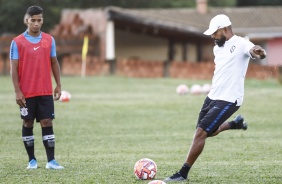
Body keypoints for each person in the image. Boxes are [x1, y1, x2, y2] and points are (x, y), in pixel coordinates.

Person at [164, 14, 267, 182]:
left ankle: (182, 174)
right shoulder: (217, 48)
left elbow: (254, 51)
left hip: (229, 99)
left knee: (200, 133)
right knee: (208, 132)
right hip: (212, 96)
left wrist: (259, 53)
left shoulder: (241, 43)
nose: (212, 36)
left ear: (225, 29)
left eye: (215, 32)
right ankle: (235, 124)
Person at [10, 5, 64, 170]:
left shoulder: (49, 40)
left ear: (42, 21)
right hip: (26, 93)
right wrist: (17, 91)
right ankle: (32, 160)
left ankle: (51, 161)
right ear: (27, 21)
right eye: (33, 20)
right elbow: (13, 69)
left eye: (39, 20)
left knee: (47, 122)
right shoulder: (17, 42)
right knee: (28, 123)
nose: (36, 23)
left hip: (45, 91)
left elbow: (54, 63)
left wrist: (58, 85)